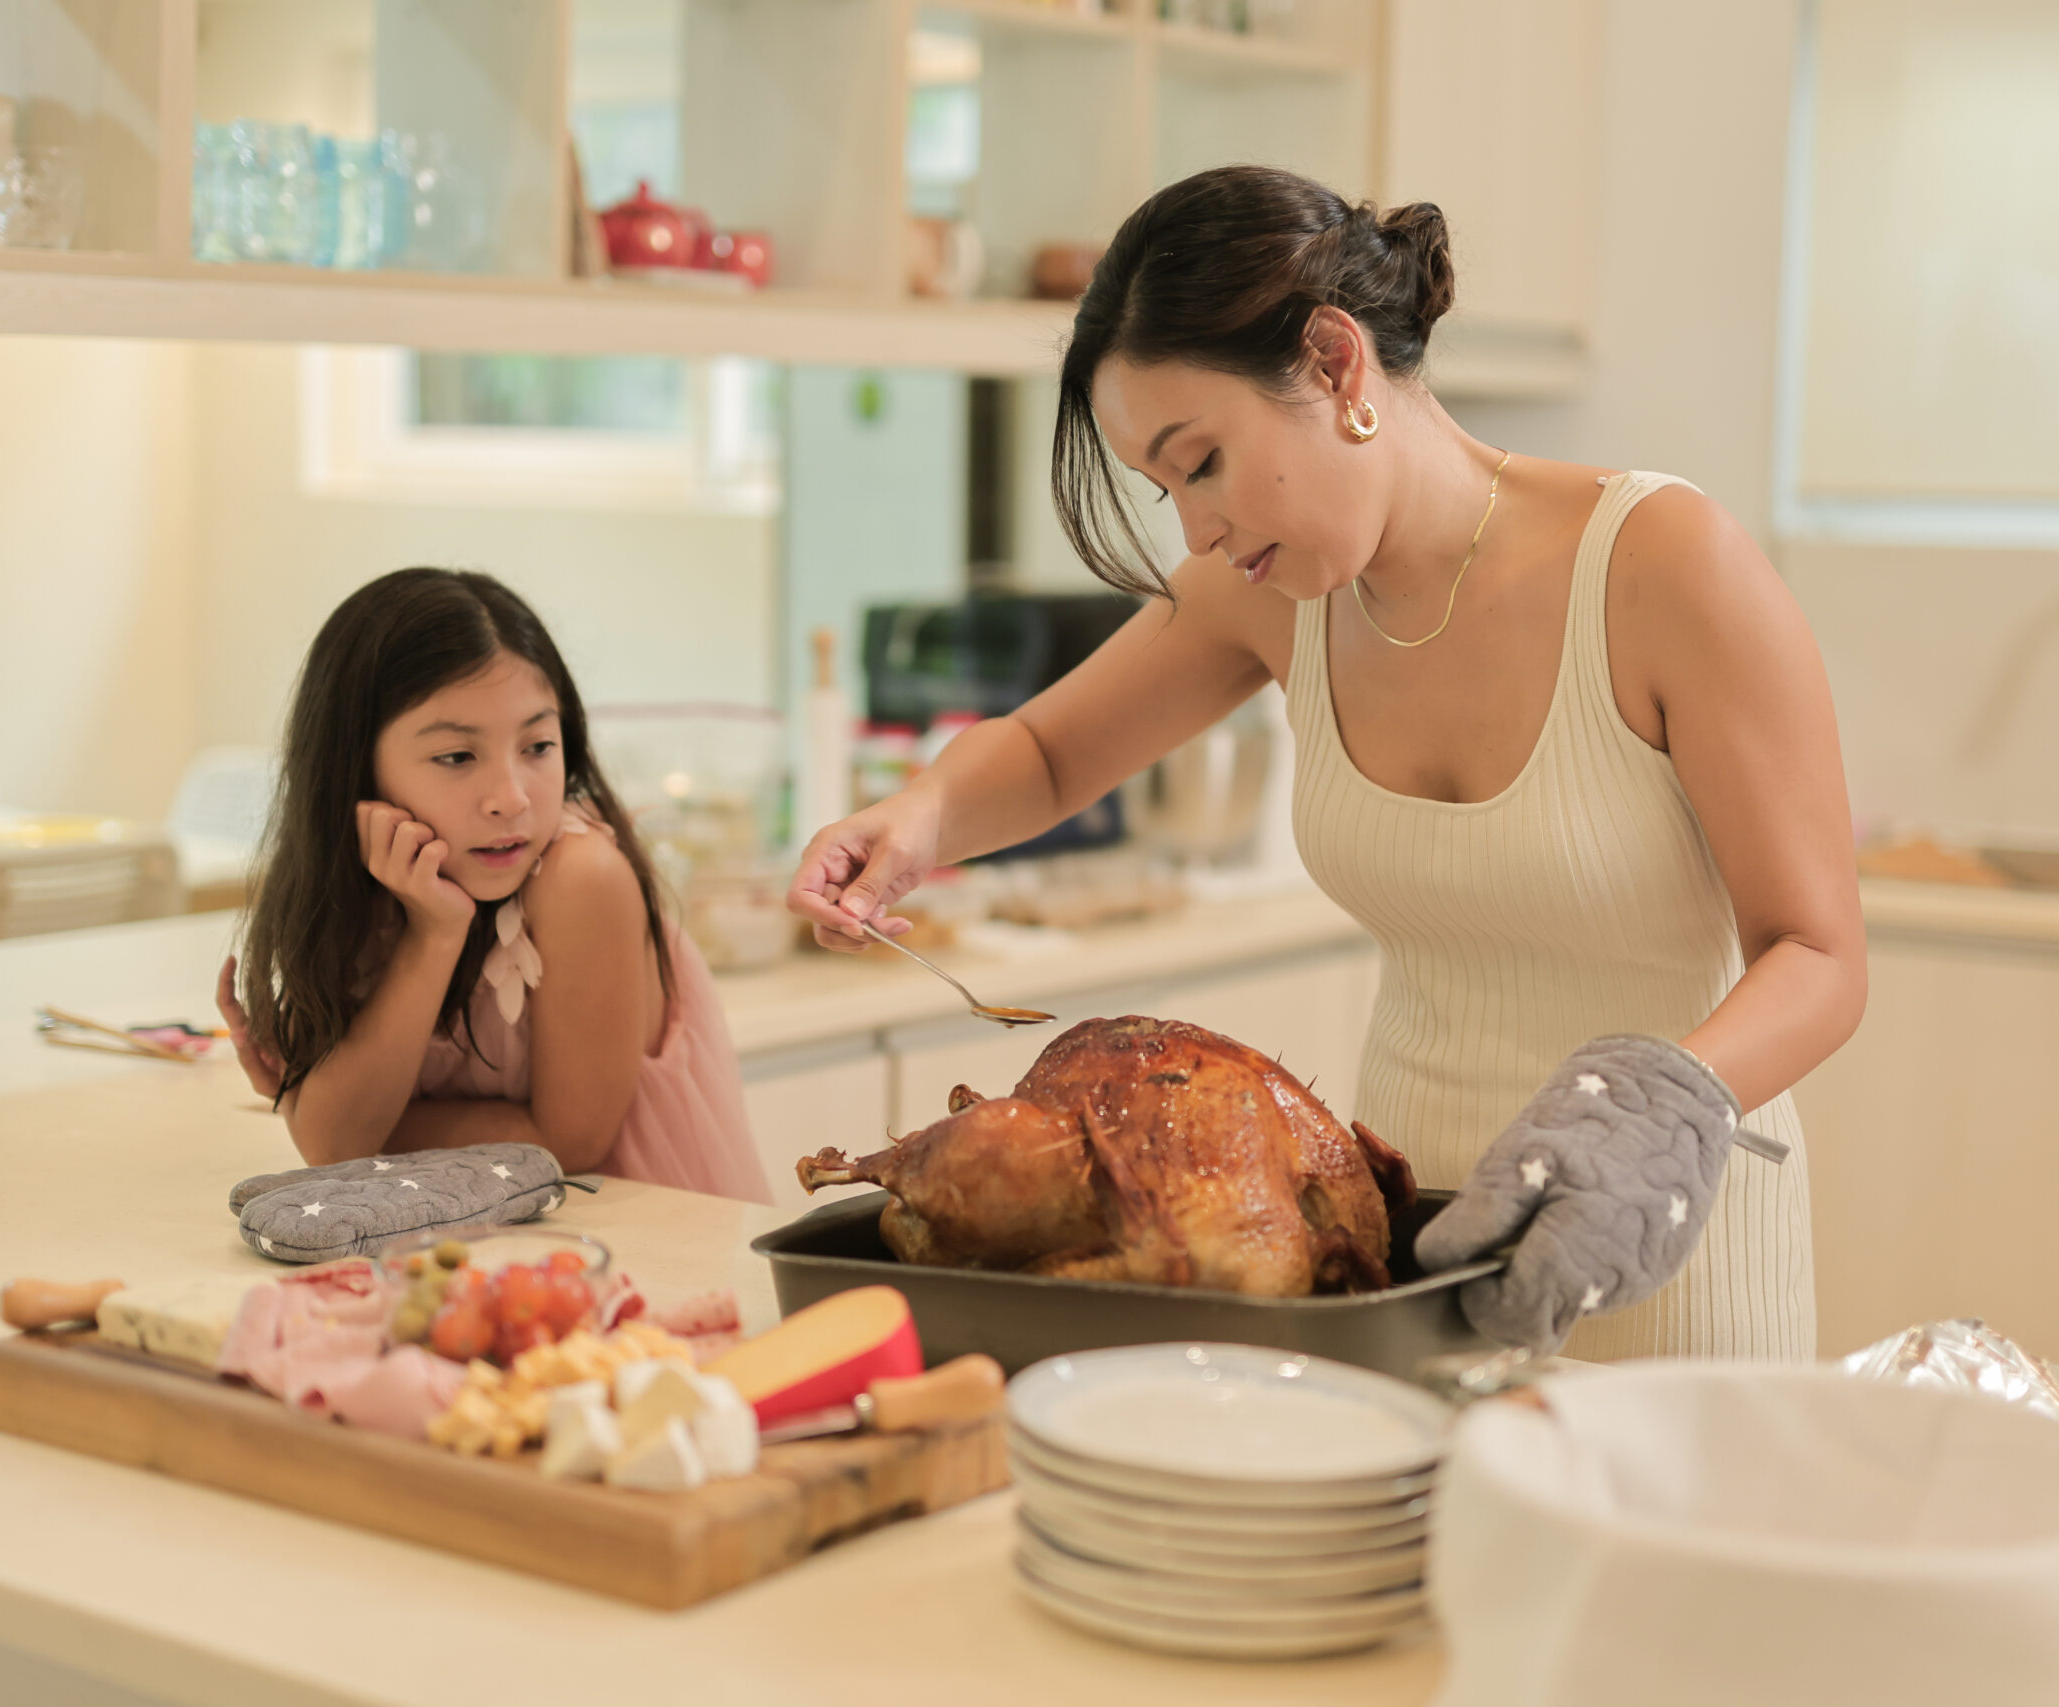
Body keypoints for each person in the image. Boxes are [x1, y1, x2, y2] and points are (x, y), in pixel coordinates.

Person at [788, 166, 1865, 1360]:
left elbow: (1817, 956)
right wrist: (921, 815)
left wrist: (1659, 1103)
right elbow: (1047, 752)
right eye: (1162, 488)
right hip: (1393, 1260)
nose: (1193, 532)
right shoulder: (1277, 596)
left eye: (1201, 463)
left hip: (1665, 1239)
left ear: (1336, 366)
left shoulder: (1665, 564)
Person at [218, 567, 770, 1204]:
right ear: (354, 767)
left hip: (626, 1246)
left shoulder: (580, 878)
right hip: (464, 1247)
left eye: (537, 745)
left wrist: (339, 1111)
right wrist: (435, 933)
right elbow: (333, 1145)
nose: (511, 799)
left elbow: (565, 1146)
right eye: (457, 757)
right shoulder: (373, 886)